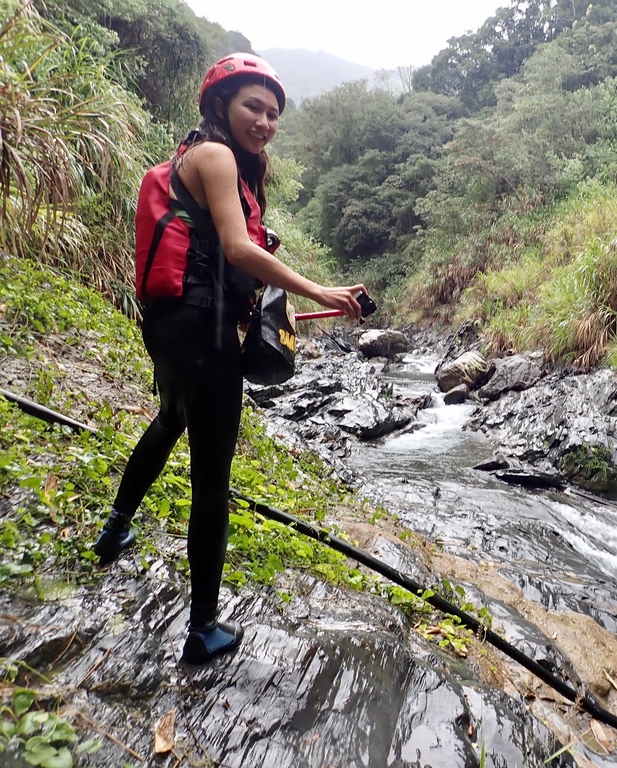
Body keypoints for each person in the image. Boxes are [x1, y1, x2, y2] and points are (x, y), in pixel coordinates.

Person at [92, 53, 367, 665]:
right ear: (220, 106)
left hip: (172, 326)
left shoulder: (207, 161)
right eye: (253, 107)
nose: (265, 121)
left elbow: (225, 256)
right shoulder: (215, 157)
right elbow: (239, 249)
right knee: (211, 475)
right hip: (202, 331)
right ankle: (203, 628)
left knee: (170, 420)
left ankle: (115, 528)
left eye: (272, 113)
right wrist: (319, 290)